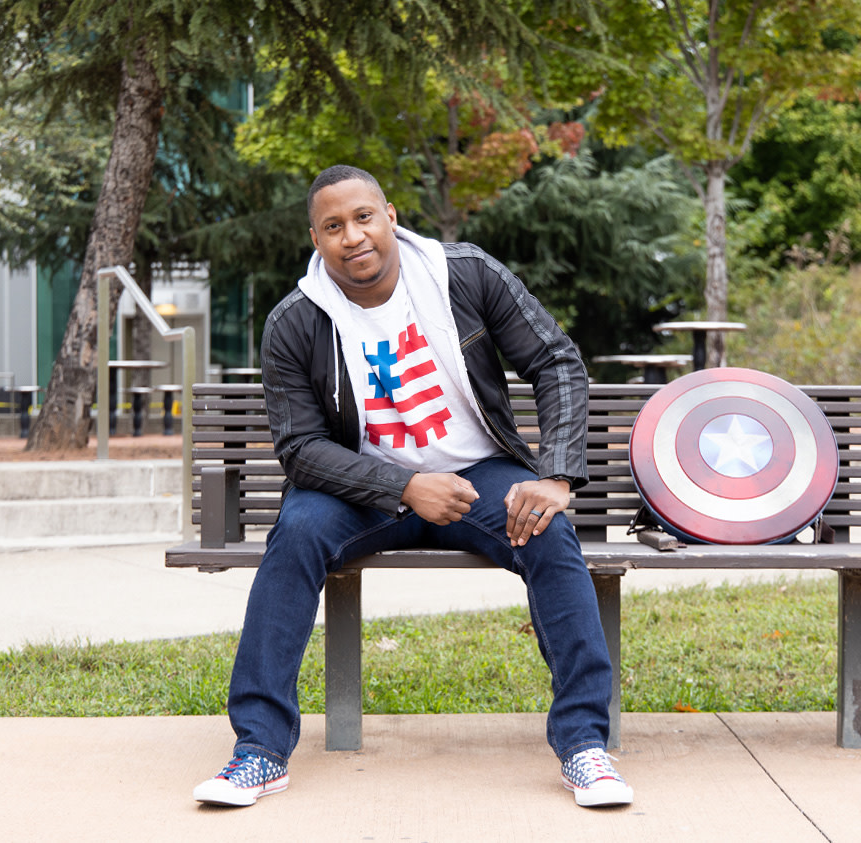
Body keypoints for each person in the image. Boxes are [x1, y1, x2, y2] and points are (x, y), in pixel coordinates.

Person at [193, 164, 633, 810]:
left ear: (391, 216)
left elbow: (555, 360)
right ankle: (258, 749)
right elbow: (300, 450)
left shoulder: (465, 275)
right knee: (296, 531)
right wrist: (405, 485)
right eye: (333, 226)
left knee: (548, 531)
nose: (353, 236)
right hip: (361, 485)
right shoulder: (296, 321)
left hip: (479, 474)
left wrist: (556, 474)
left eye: (364, 217)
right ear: (315, 239)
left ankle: (584, 745)